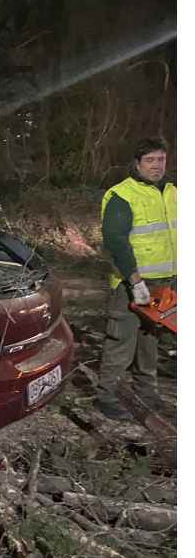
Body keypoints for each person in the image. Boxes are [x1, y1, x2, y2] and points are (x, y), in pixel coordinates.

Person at [96, 137, 175, 420]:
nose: (157, 166)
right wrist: (135, 279)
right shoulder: (122, 195)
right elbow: (116, 241)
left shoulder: (172, 191)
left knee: (150, 340)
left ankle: (146, 391)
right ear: (137, 163)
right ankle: (108, 396)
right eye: (150, 160)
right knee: (121, 340)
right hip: (132, 284)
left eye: (161, 159)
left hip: (165, 283)